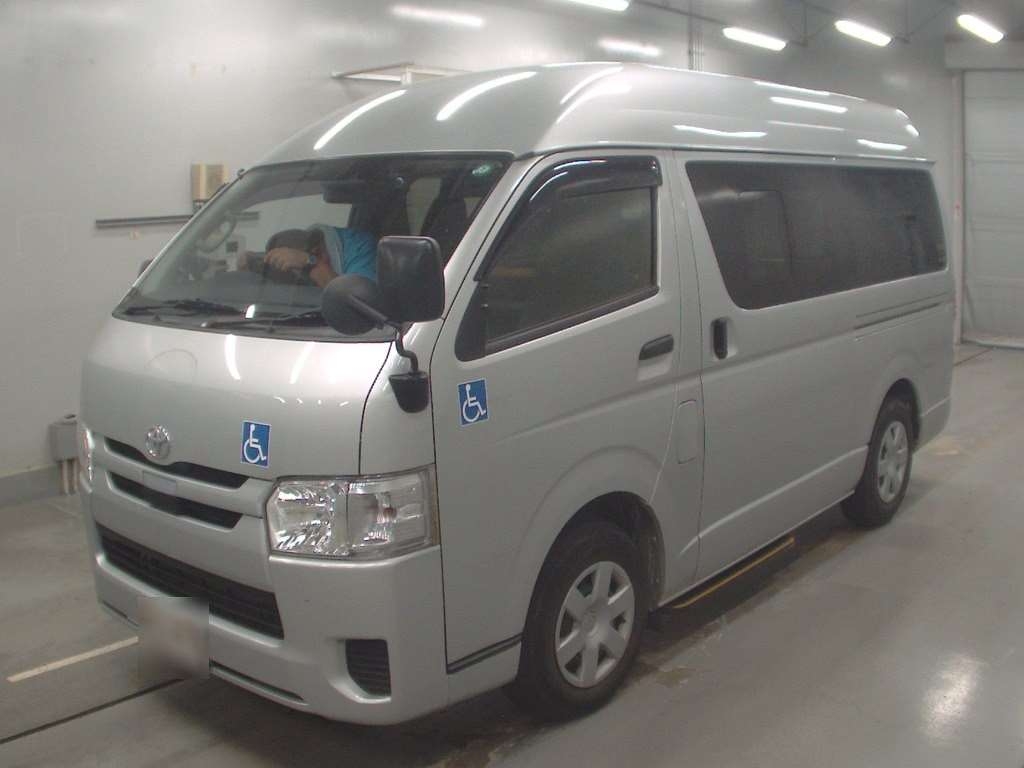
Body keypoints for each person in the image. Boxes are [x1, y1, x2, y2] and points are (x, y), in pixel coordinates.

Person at [250, 225, 377, 288]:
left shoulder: (361, 248)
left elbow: (359, 303)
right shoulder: (306, 244)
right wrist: (251, 264)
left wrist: (311, 264)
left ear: (319, 253)